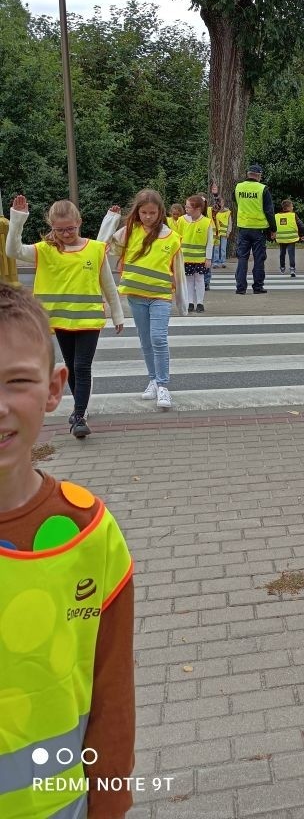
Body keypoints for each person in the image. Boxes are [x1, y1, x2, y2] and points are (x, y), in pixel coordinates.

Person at [0, 284, 135, 819]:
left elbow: (112, 700)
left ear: (55, 389)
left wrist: (108, 806)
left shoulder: (90, 535)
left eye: (17, 381)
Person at [6, 195, 124, 439]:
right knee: (71, 366)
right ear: (52, 227)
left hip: (88, 320)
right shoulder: (45, 250)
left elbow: (108, 285)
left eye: (70, 228)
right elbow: (12, 250)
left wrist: (117, 315)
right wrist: (18, 219)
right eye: (59, 230)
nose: (66, 234)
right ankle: (80, 410)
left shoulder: (94, 249)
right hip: (60, 320)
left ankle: (79, 415)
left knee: (82, 366)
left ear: (79, 222)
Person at [98, 190, 187, 411]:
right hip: (136, 296)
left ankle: (163, 384)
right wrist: (111, 220)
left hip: (160, 297)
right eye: (144, 212)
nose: (148, 216)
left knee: (158, 338)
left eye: (153, 213)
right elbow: (101, 247)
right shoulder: (129, 231)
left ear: (160, 212)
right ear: (137, 212)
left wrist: (182, 303)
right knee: (146, 340)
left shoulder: (171, 237)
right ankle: (154, 381)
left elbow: (179, 272)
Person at [234, 164, 275, 294]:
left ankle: (240, 287)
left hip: (243, 228)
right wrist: (273, 228)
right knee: (259, 258)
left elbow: (235, 201)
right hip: (259, 229)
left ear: (248, 174)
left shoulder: (238, 187)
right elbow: (269, 211)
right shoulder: (263, 189)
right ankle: (257, 287)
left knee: (242, 258)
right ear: (258, 175)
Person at [177, 195, 213, 313]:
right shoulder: (181, 220)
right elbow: (176, 238)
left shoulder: (207, 222)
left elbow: (210, 242)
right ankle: (190, 302)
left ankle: (200, 303)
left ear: (198, 209)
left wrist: (208, 258)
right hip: (185, 257)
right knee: (188, 280)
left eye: (188, 207)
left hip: (200, 258)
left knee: (199, 279)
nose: (186, 208)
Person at [275, 198, 304, 276]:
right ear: (288, 207)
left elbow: (273, 226)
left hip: (281, 238)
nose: (293, 208)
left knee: (282, 253)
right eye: (292, 206)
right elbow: (301, 225)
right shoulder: (293, 215)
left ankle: (282, 268)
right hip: (291, 239)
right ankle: (292, 269)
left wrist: (271, 234)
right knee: (291, 254)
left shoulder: (276, 216)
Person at [213, 197, 232, 268]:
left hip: (224, 233)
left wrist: (228, 232)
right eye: (218, 203)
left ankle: (223, 262)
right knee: (216, 248)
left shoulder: (227, 212)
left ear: (223, 203)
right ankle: (215, 262)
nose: (220, 204)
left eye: (221, 202)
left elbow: (230, 223)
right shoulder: (214, 211)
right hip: (216, 232)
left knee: (223, 248)